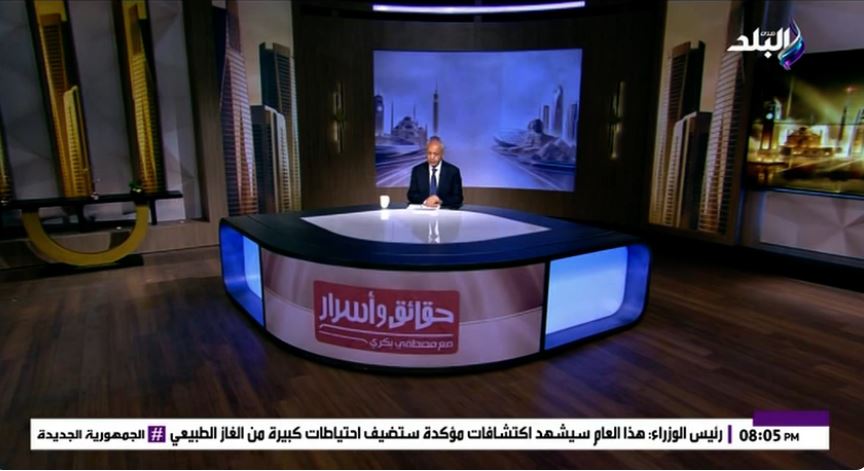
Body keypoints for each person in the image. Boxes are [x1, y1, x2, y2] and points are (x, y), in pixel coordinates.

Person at [407, 136, 463, 208]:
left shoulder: (453, 171)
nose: (432, 157)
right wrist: (426, 201)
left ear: (442, 154)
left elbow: (458, 198)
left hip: (444, 212)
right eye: (429, 153)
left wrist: (440, 201)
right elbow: (411, 195)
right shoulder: (417, 170)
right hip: (423, 211)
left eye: (435, 154)